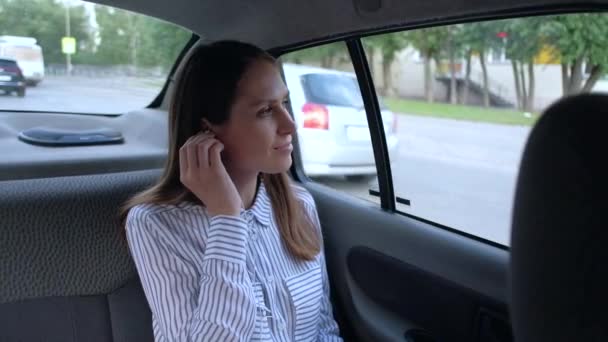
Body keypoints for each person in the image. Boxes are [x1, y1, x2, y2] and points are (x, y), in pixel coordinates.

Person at [121, 40, 342, 341]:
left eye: (285, 104)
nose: (290, 125)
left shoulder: (300, 205)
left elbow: (323, 329)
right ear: (208, 128)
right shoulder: (155, 223)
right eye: (266, 110)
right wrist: (227, 218)